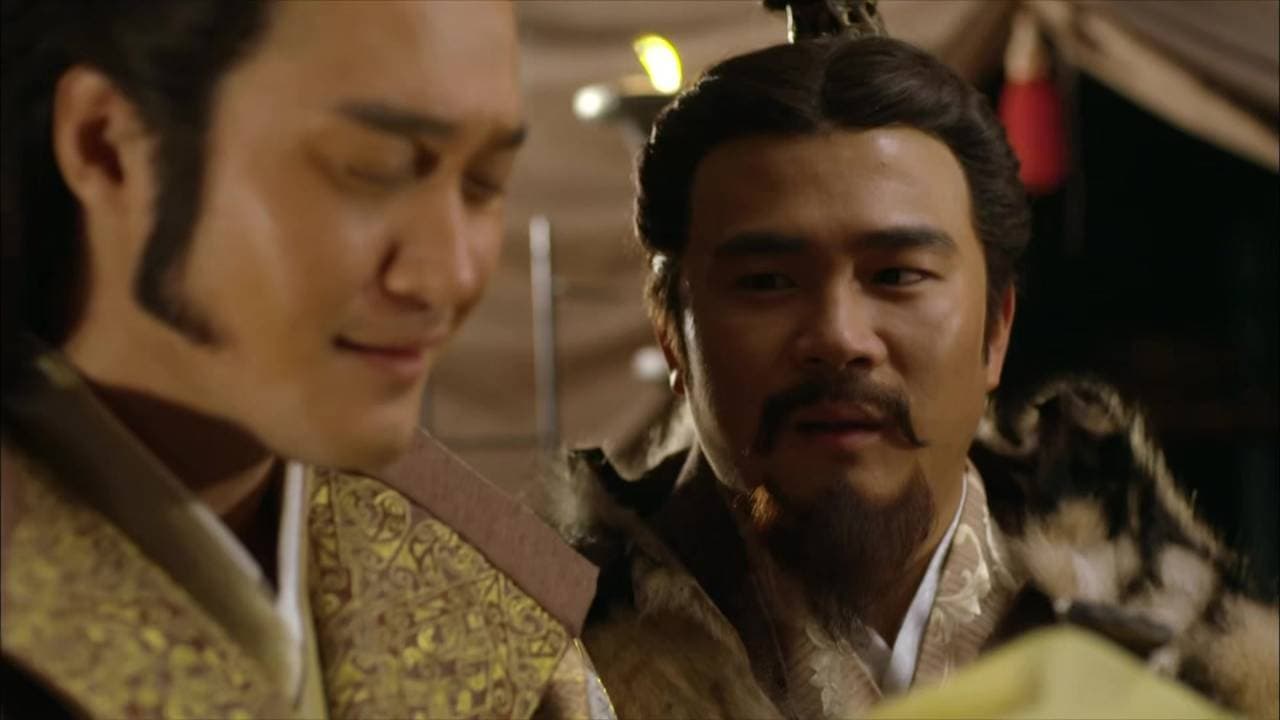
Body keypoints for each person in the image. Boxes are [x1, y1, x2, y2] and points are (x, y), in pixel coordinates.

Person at [546, 34, 1278, 719]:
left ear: (996, 330)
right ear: (672, 334)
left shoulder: (1185, 657)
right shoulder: (547, 659)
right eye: (767, 281)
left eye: (897, 275)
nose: (839, 337)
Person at [1, 2, 611, 718]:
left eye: (485, 183)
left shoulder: (493, 601)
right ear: (109, 144)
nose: (447, 275)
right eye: (373, 168)